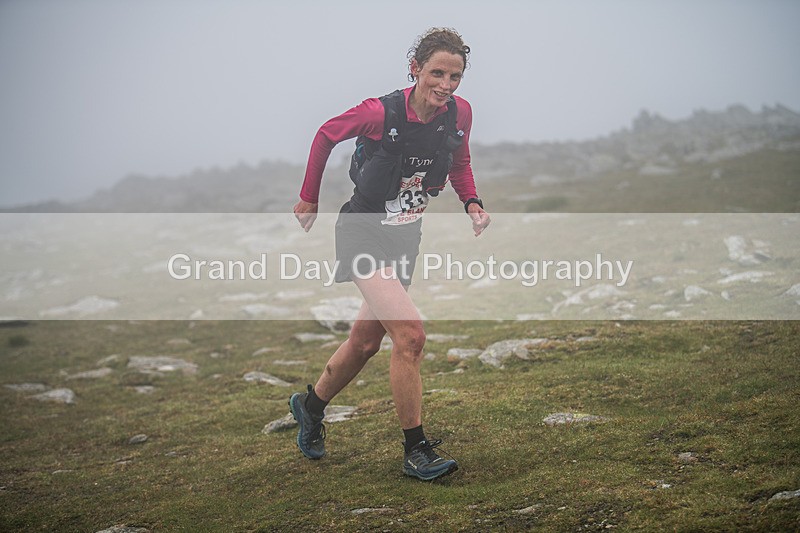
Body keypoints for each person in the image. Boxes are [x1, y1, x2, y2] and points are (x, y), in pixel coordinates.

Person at [289, 27, 490, 481]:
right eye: (437, 73)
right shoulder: (380, 112)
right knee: (411, 336)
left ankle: (310, 406)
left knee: (364, 342)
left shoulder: (460, 114)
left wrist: (471, 201)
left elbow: (458, 161)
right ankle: (415, 451)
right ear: (415, 69)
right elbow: (325, 134)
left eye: (455, 76)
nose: (446, 84)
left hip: (404, 235)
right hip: (362, 232)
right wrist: (309, 197)